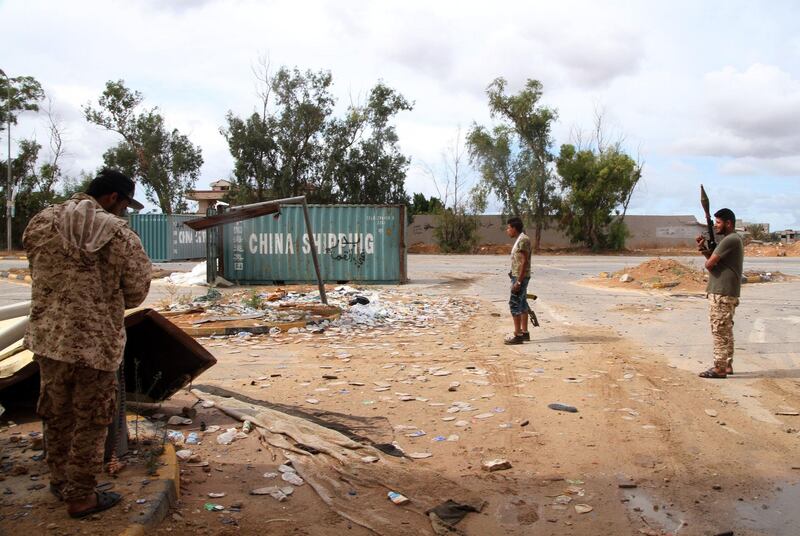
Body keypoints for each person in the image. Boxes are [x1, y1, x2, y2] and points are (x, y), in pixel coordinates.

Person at [23, 168, 151, 518]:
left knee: (56, 414)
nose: (123, 212)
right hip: (95, 348)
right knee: (91, 422)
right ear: (112, 198)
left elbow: (36, 267)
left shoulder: (41, 222)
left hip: (49, 341)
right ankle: (80, 496)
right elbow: (137, 292)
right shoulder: (120, 236)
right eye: (124, 204)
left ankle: (60, 480)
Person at [695, 207, 743, 379]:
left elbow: (709, 265)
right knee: (726, 329)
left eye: (718, 223)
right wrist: (704, 249)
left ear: (728, 223)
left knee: (719, 330)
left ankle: (719, 368)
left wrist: (709, 251)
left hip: (722, 292)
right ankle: (727, 365)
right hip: (727, 291)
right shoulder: (733, 239)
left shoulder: (729, 240)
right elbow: (714, 262)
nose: (716, 226)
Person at [504, 217, 532, 344]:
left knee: (514, 304)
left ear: (514, 228)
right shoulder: (520, 239)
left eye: (509, 228)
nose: (507, 230)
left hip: (520, 277)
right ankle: (525, 332)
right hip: (518, 275)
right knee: (523, 304)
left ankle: (518, 334)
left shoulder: (523, 240)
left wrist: (519, 281)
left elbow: (524, 261)